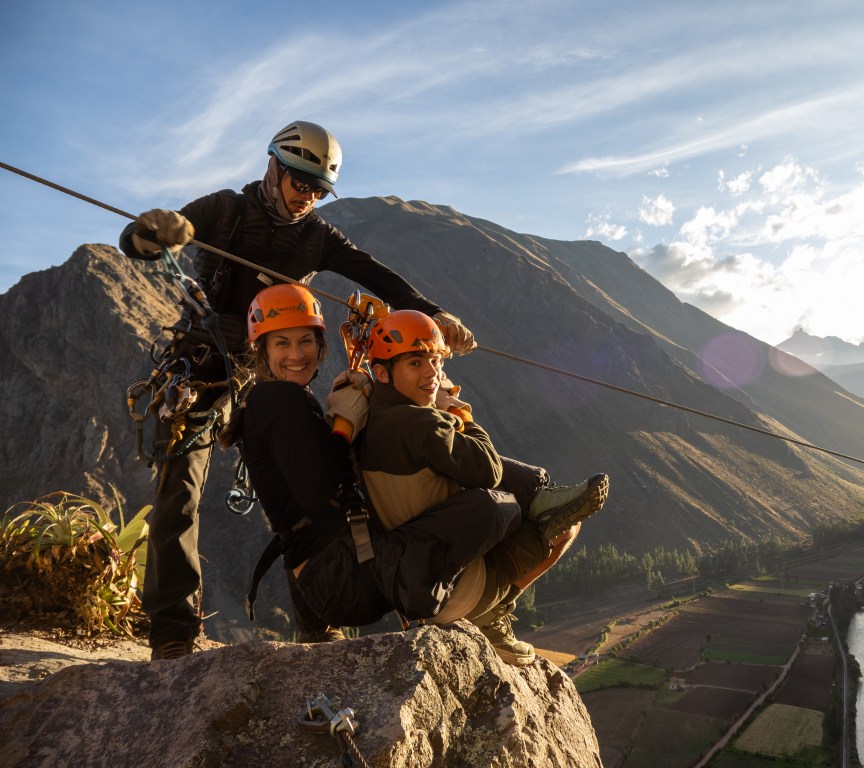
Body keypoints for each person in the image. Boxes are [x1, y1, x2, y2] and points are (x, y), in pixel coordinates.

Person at [121, 120, 476, 659]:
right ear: (274, 168)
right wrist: (150, 231)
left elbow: (376, 276)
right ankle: (172, 633)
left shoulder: (319, 237)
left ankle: (316, 624)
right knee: (181, 492)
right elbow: (143, 243)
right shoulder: (223, 211)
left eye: (318, 189)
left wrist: (433, 314)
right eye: (300, 183)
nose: (307, 197)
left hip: (273, 369)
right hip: (203, 366)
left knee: (299, 494)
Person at [220, 285, 606, 667]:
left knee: (485, 500)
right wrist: (344, 427)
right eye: (282, 345)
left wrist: (355, 410)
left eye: (305, 341)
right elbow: (320, 491)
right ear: (262, 350)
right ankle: (435, 599)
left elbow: (304, 495)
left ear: (318, 344)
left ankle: (327, 626)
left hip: (328, 579)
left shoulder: (272, 400)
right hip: (345, 578)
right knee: (494, 508)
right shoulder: (281, 399)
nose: (296, 355)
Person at [350, 309, 609, 665]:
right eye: (415, 363)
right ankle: (491, 616)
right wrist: (460, 414)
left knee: (528, 497)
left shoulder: (369, 416)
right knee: (566, 527)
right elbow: (487, 468)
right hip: (454, 591)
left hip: (417, 573)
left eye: (435, 361)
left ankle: (539, 495)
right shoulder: (419, 423)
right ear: (381, 372)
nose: (431, 373)